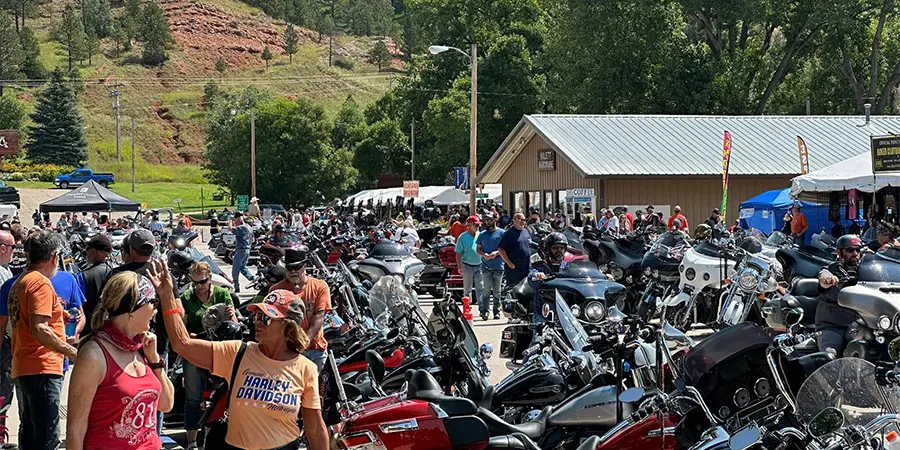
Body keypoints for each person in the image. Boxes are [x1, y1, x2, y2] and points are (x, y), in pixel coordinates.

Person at [157, 257, 328, 450]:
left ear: (288, 328)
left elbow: (314, 429)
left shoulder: (306, 369)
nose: (258, 321)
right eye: (257, 315)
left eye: (266, 317)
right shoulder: (238, 352)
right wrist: (167, 296)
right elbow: (182, 345)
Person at [66, 272, 175, 450]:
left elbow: (166, 404)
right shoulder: (94, 355)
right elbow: (75, 430)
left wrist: (155, 361)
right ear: (131, 311)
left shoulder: (141, 348)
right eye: (152, 302)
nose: (156, 309)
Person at [8, 230, 76, 450]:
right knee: (47, 437)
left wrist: (59, 315)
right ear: (54, 257)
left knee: (29, 433)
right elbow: (39, 328)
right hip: (42, 367)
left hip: (24, 365)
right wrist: (72, 351)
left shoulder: (21, 281)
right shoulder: (40, 283)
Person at [180, 262, 236, 449]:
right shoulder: (187, 297)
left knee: (225, 394)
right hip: (196, 349)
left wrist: (231, 315)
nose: (199, 286)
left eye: (202, 282)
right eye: (195, 282)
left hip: (219, 350)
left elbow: (234, 325)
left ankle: (220, 436)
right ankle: (191, 441)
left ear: (210, 278)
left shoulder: (223, 294)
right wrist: (190, 336)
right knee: (193, 397)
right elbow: (182, 328)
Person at [268, 248, 332, 372]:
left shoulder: (320, 286)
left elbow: (319, 317)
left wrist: (304, 341)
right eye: (289, 268)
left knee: (314, 389)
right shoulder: (276, 290)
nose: (293, 271)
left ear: (305, 266)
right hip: (287, 350)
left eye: (296, 267)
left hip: (315, 349)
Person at [816, 235, 863, 355]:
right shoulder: (831, 269)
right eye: (850, 250)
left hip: (859, 326)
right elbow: (823, 278)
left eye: (857, 250)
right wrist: (828, 280)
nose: (855, 253)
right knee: (829, 356)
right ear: (839, 252)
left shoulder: (865, 270)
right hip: (833, 326)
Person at [76, 234, 114, 336]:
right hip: (111, 328)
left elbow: (76, 305)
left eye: (88, 248)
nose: (86, 252)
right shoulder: (117, 269)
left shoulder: (84, 276)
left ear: (98, 252)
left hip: (89, 329)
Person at [476, 213, 504, 320]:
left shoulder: (501, 233)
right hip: (486, 266)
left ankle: (496, 311)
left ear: (495, 220)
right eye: (486, 220)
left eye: (490, 220)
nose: (488, 222)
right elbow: (478, 249)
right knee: (486, 290)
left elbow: (505, 248)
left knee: (497, 291)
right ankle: (485, 311)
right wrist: (484, 255)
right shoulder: (482, 234)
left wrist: (496, 253)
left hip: (498, 266)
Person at [455, 216, 482, 314]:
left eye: (478, 225)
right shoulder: (463, 237)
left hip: (480, 265)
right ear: (469, 225)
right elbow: (458, 252)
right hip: (466, 264)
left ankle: (482, 309)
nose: (478, 227)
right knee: (467, 288)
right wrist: (459, 266)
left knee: (480, 287)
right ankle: (467, 308)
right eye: (476, 225)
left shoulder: (481, 235)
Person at [498, 213, 531, 288]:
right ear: (514, 220)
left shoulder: (525, 231)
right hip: (514, 269)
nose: (523, 222)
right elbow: (501, 249)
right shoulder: (508, 233)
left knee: (524, 288)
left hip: (525, 267)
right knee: (513, 289)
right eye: (521, 220)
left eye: (524, 220)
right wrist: (509, 263)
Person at [230, 212, 255, 294]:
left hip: (241, 250)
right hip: (247, 249)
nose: (235, 222)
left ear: (239, 219)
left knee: (235, 270)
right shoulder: (249, 227)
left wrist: (230, 221)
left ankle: (236, 287)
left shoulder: (241, 227)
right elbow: (253, 240)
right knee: (243, 268)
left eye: (235, 220)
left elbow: (230, 229)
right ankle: (253, 279)